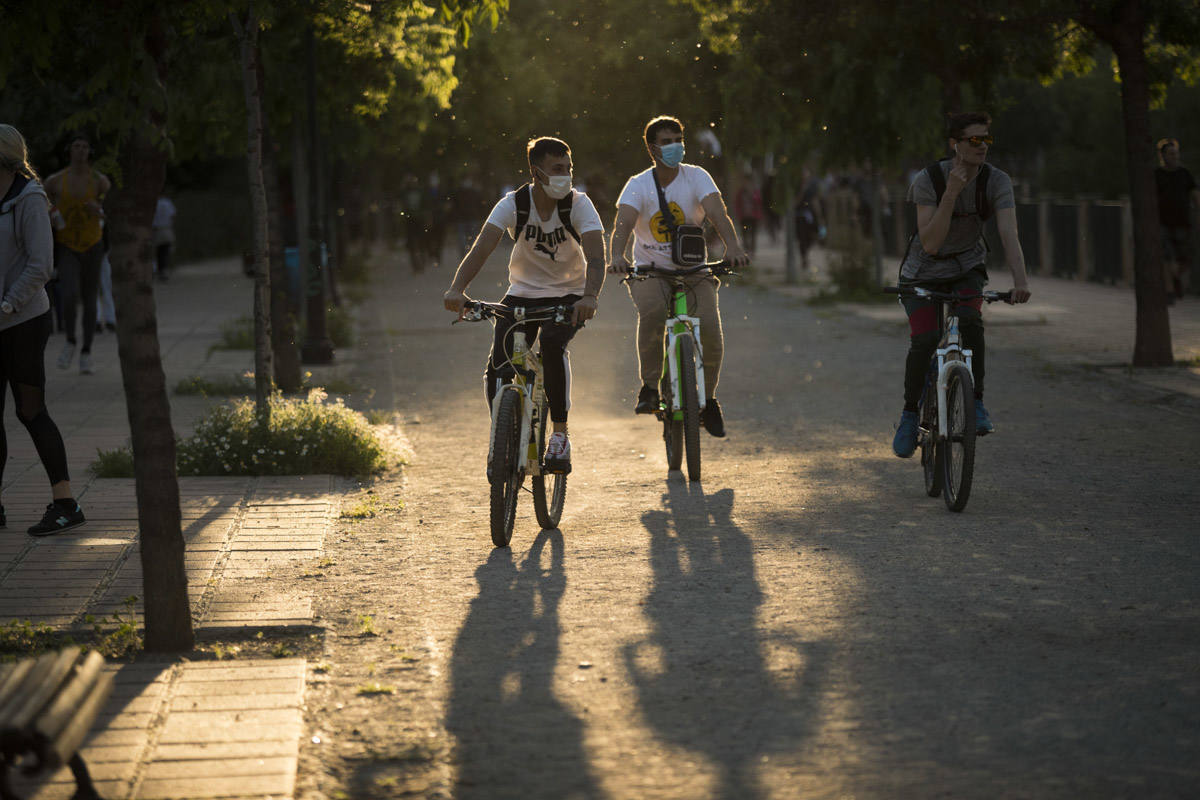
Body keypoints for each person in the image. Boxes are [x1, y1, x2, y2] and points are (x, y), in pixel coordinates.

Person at [443, 137, 605, 474]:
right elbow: (481, 249)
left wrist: (590, 296)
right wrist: (457, 288)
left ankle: (559, 437)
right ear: (536, 172)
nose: (566, 175)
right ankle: (504, 433)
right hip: (522, 294)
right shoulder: (513, 204)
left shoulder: (578, 204)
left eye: (568, 168)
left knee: (551, 344)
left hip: (569, 295)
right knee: (499, 365)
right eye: (557, 169)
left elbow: (596, 255)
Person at [892, 111, 1032, 459]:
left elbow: (1008, 233)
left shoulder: (996, 181)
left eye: (986, 139)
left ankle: (977, 402)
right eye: (974, 140)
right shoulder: (929, 181)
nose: (982, 146)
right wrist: (952, 192)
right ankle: (910, 414)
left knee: (970, 322)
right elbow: (931, 244)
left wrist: (1020, 281)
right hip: (922, 271)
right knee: (924, 340)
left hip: (966, 267)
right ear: (955, 145)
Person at [607, 115, 750, 438]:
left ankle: (709, 400)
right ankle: (649, 388)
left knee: (711, 333)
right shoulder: (638, 184)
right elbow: (623, 225)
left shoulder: (697, 177)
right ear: (652, 147)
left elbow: (718, 214)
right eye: (667, 140)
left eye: (678, 139)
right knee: (654, 314)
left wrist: (733, 248)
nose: (675, 146)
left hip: (694, 270)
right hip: (650, 271)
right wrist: (617, 256)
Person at [0, 124, 86, 536]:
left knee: (30, 410)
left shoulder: (29, 198)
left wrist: (7, 302)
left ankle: (66, 504)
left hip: (23, 322)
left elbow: (41, 265)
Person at [44, 132, 109, 375]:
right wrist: (52, 213)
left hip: (93, 243)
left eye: (85, 146)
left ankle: (86, 352)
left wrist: (99, 210)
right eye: (76, 146)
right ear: (69, 151)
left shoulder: (100, 181)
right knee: (69, 295)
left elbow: (107, 210)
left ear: (90, 152)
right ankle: (70, 339)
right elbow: (45, 201)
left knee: (91, 298)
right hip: (68, 244)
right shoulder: (55, 181)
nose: (81, 151)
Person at [1155, 138, 1200, 301]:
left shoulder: (1184, 174)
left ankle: (1175, 279)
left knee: (1185, 259)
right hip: (1163, 222)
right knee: (1166, 257)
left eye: (1176, 153)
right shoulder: (1157, 175)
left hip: (1183, 223)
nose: (1174, 157)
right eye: (1171, 154)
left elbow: (1195, 195)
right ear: (1163, 156)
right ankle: (1169, 291)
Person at [152, 192, 177, 282]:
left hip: (156, 229)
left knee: (157, 251)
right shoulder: (167, 203)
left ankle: (158, 269)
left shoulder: (153, 203)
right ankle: (163, 269)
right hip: (166, 228)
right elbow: (173, 215)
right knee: (165, 250)